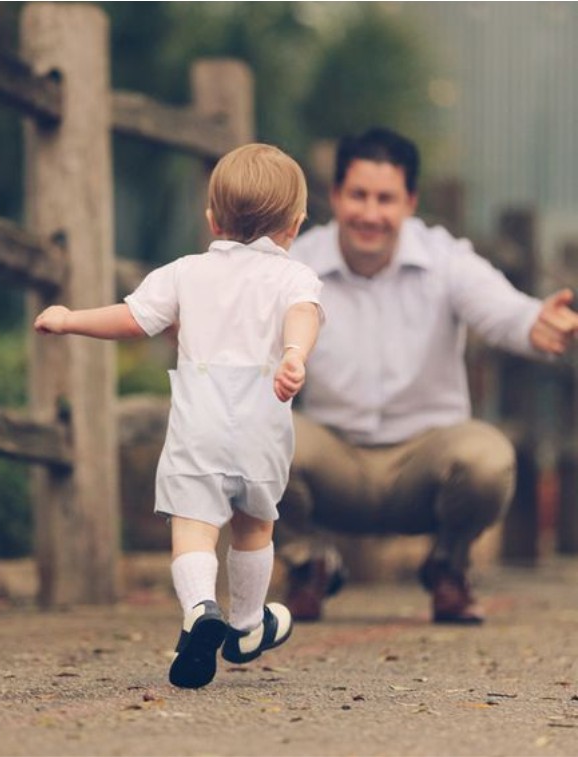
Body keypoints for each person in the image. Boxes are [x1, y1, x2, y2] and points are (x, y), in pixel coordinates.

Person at [34, 143, 324, 688]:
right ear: (296, 226)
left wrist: (71, 319)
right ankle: (244, 624)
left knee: (193, 530)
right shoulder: (295, 278)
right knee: (254, 527)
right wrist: (293, 353)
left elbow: (132, 319)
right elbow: (302, 316)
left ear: (212, 219)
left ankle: (199, 611)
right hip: (263, 423)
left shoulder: (185, 272)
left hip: (200, 424)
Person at [280, 127, 578, 625]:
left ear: (410, 202)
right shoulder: (297, 263)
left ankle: (448, 567)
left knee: (487, 457)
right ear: (334, 196)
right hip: (333, 458)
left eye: (386, 198)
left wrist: (534, 323)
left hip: (425, 465)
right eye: (358, 195)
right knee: (247, 436)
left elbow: (501, 309)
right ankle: (306, 562)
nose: (370, 214)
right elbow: (246, 328)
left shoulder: (446, 259)